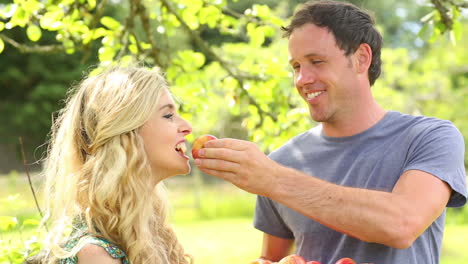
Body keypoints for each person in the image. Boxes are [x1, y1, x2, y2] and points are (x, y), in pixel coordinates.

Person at [194, 1, 467, 263]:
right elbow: (273, 259)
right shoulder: (281, 161)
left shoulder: (429, 137)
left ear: (361, 58)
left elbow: (402, 223)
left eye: (317, 61)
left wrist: (272, 178)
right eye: (297, 66)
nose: (302, 79)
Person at [35, 65, 193, 264]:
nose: (188, 127)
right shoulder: (97, 254)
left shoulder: (151, 234)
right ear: (127, 132)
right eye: (168, 116)